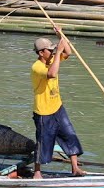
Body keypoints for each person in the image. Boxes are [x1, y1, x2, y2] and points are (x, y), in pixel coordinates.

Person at [30, 27, 84, 179]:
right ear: (41, 53)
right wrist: (58, 53)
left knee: (69, 135)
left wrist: (61, 35)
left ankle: (75, 167)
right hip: (43, 112)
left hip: (57, 107)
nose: (53, 53)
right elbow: (52, 74)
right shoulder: (37, 67)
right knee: (43, 141)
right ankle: (37, 173)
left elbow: (68, 52)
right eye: (50, 51)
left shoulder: (52, 59)